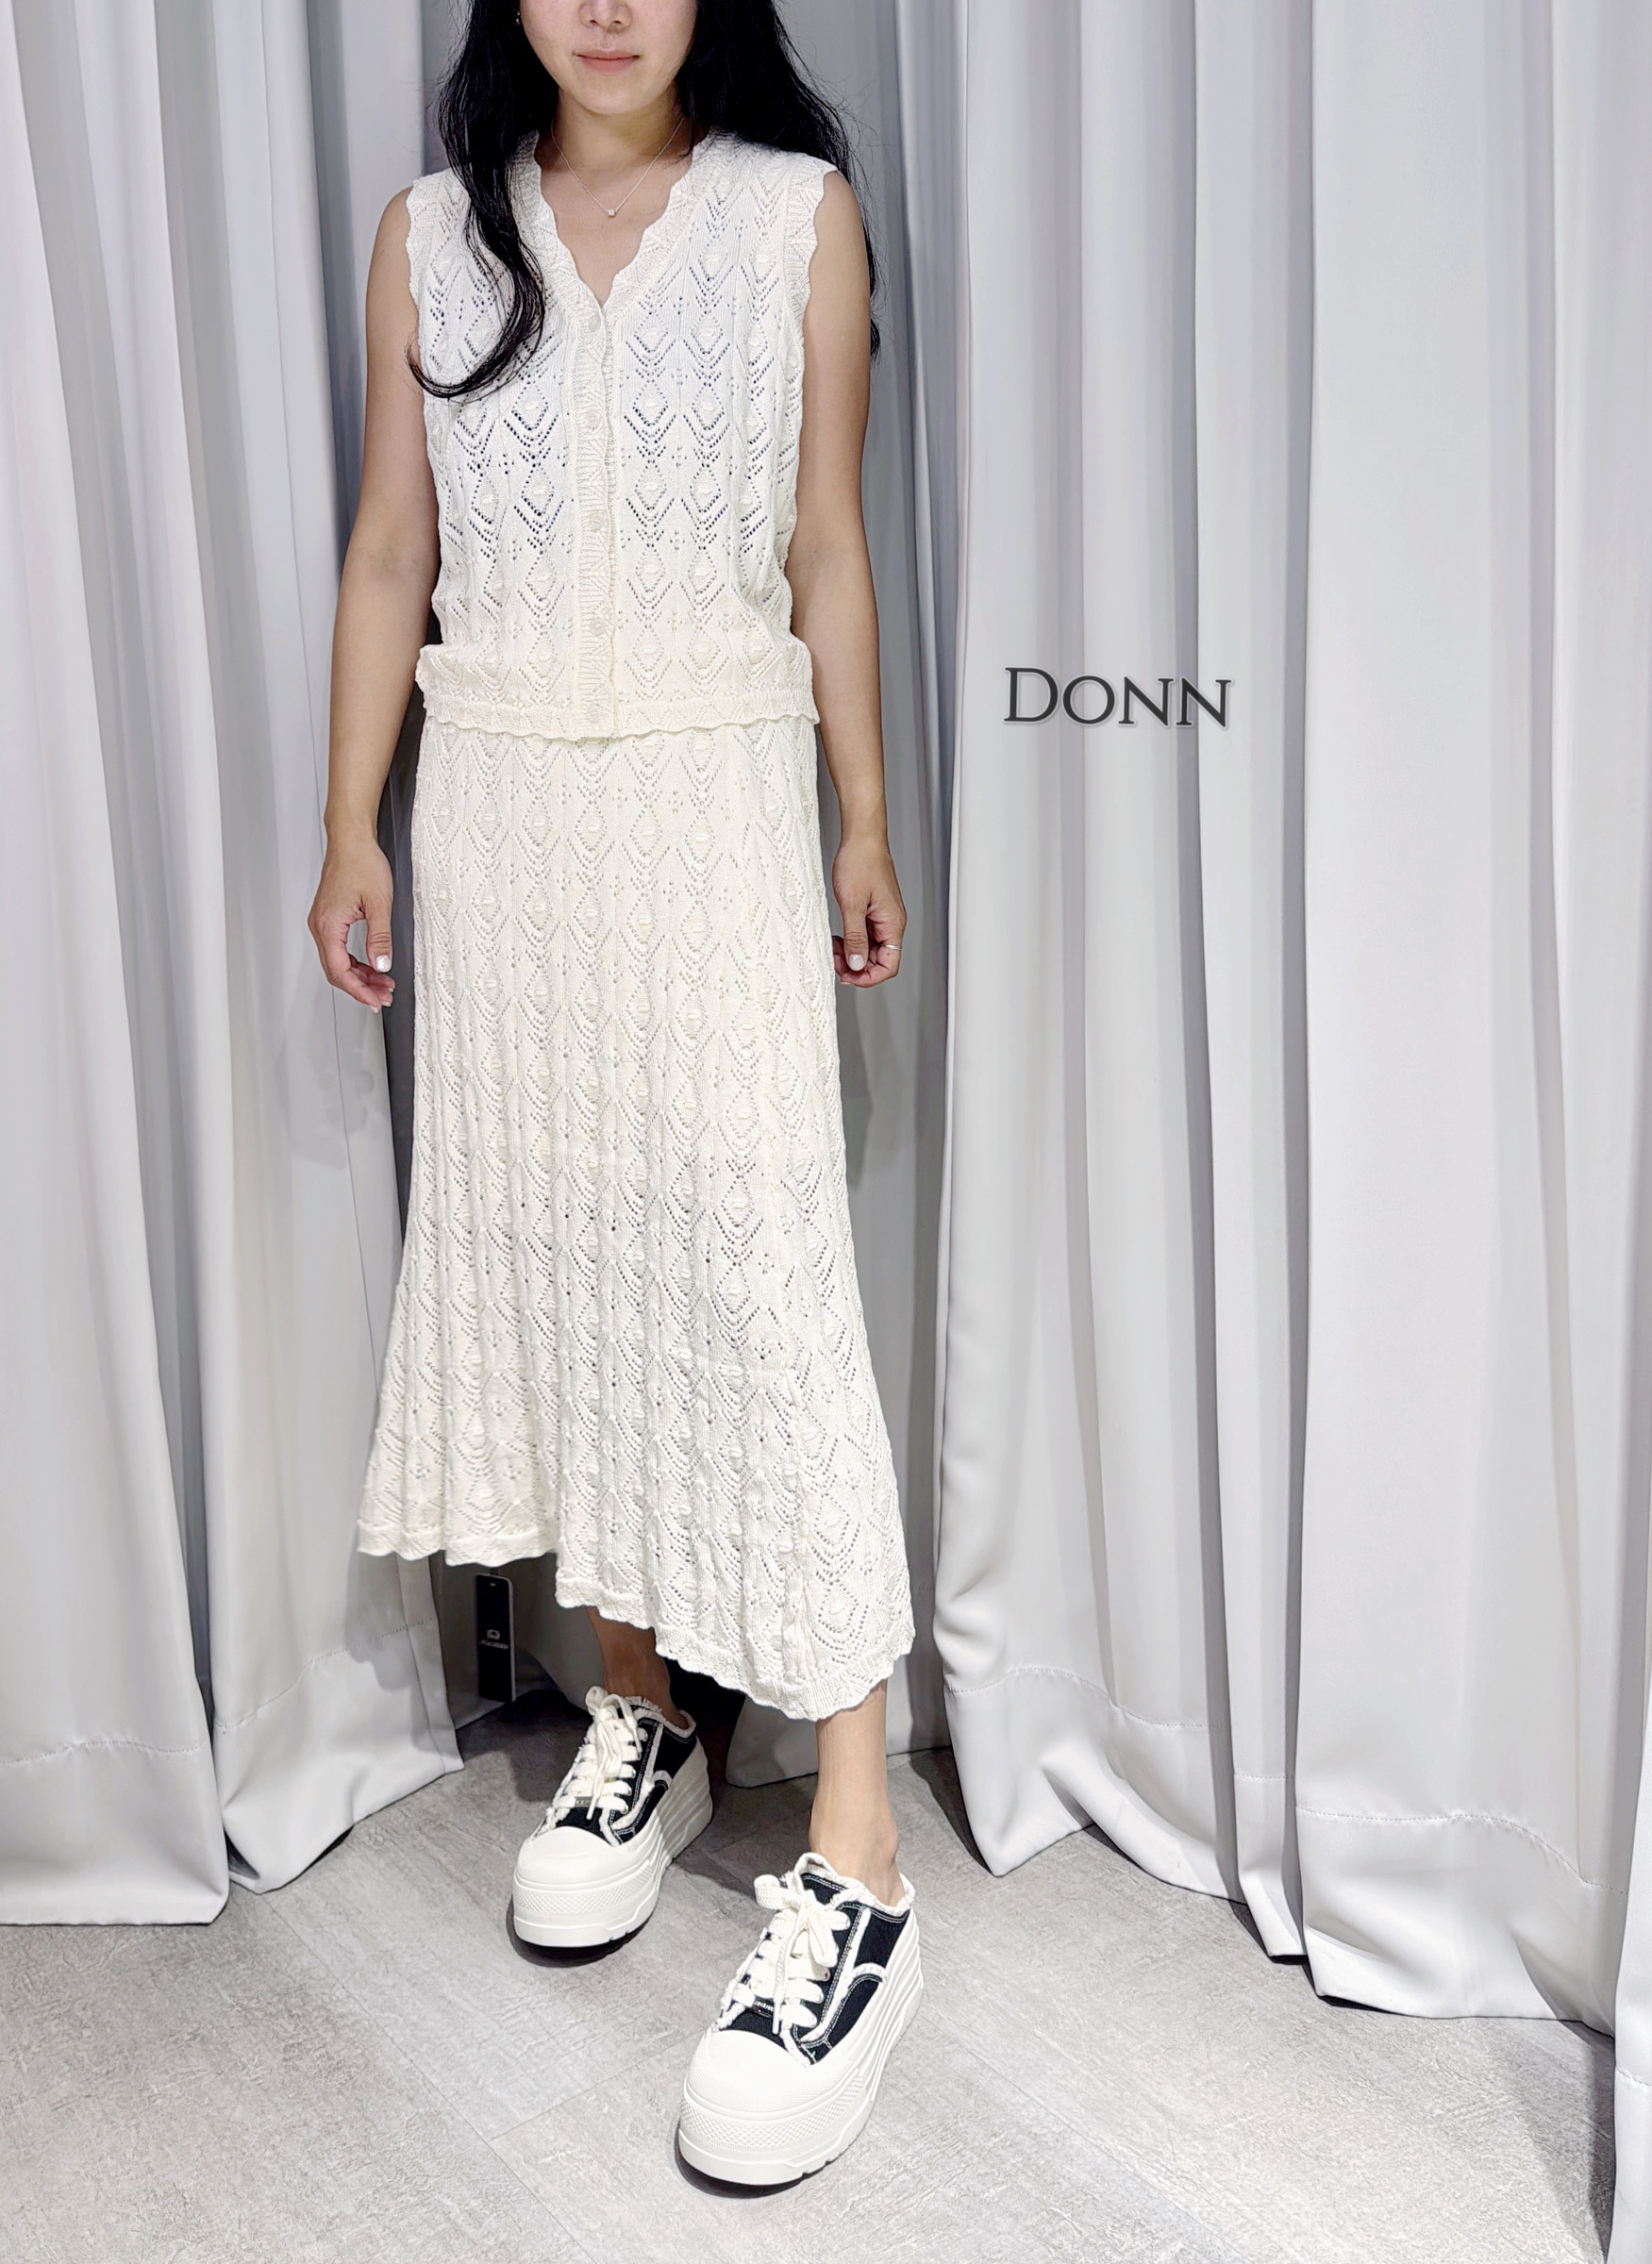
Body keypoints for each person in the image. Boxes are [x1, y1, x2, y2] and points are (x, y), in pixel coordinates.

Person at [306, 0, 919, 2184]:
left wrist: (863, 811)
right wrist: (350, 819)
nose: (607, 4)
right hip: (501, 818)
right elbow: (394, 549)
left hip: (713, 799)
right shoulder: (431, 238)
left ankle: (860, 1854)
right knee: (576, 1269)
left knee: (756, 1280)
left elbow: (825, 542)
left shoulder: (794, 219)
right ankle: (645, 1710)